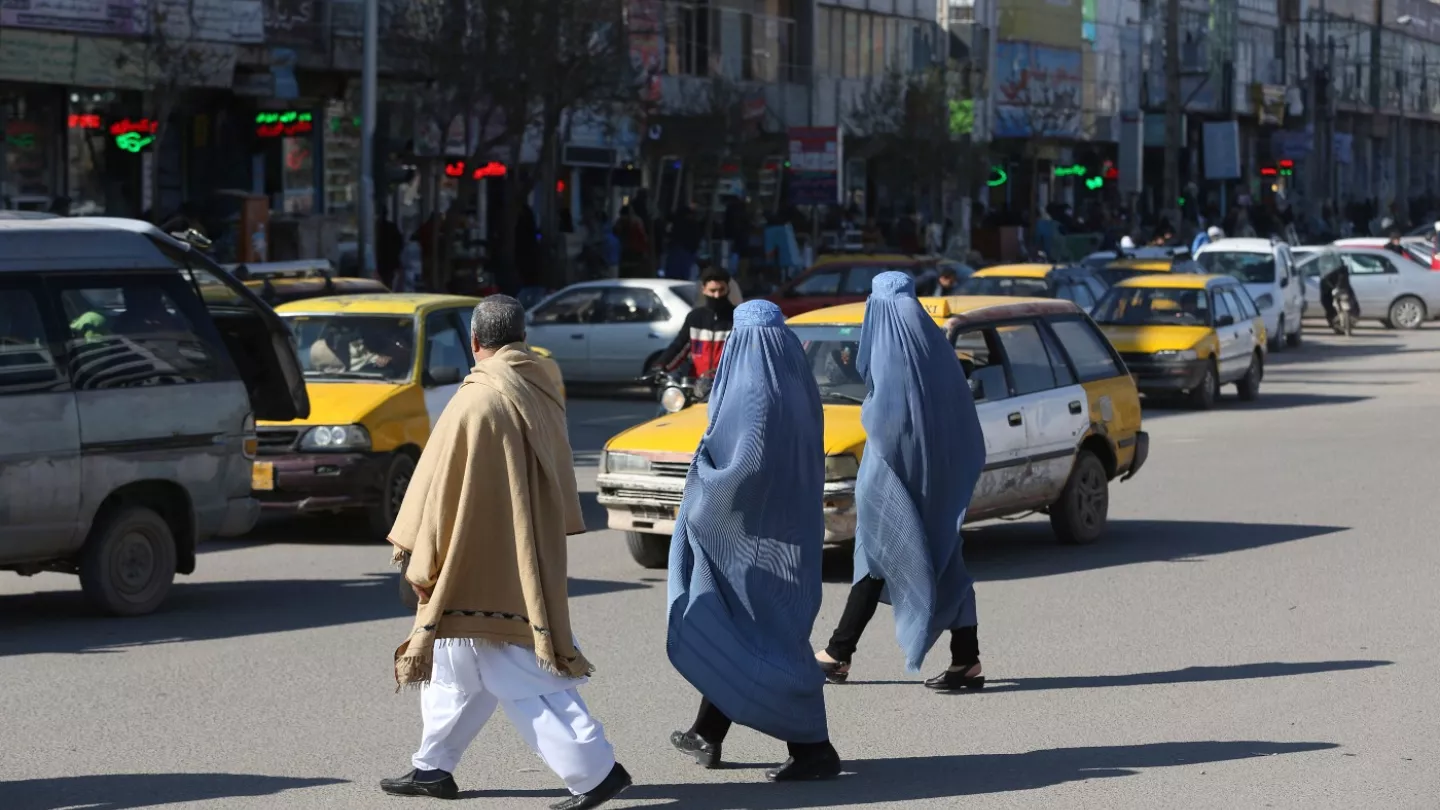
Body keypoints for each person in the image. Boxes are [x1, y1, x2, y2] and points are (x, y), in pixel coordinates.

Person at [383, 296, 631, 808]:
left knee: (515, 668)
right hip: (522, 547)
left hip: (480, 560)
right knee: (457, 667)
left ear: (475, 342)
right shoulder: (540, 384)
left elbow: (438, 489)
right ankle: (432, 767)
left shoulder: (476, 398)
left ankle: (594, 771)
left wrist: (421, 558)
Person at [667, 299, 841, 781]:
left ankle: (814, 749)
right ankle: (708, 730)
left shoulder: (749, 387)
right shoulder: (797, 380)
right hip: (790, 534)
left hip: (747, 538)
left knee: (765, 637)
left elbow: (740, 469)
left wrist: (700, 485)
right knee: (749, 629)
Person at [814, 272, 987, 690]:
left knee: (875, 558)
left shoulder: (892, 350)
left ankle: (839, 653)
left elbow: (885, 422)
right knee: (944, 560)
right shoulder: (936, 349)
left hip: (892, 478)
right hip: (939, 479)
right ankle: (966, 659)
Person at [655, 267, 735, 377]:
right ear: (704, 289)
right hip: (698, 385)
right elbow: (679, 346)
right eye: (712, 291)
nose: (717, 295)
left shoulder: (738, 317)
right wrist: (660, 366)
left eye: (721, 290)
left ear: (728, 289)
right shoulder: (695, 318)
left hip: (729, 385)